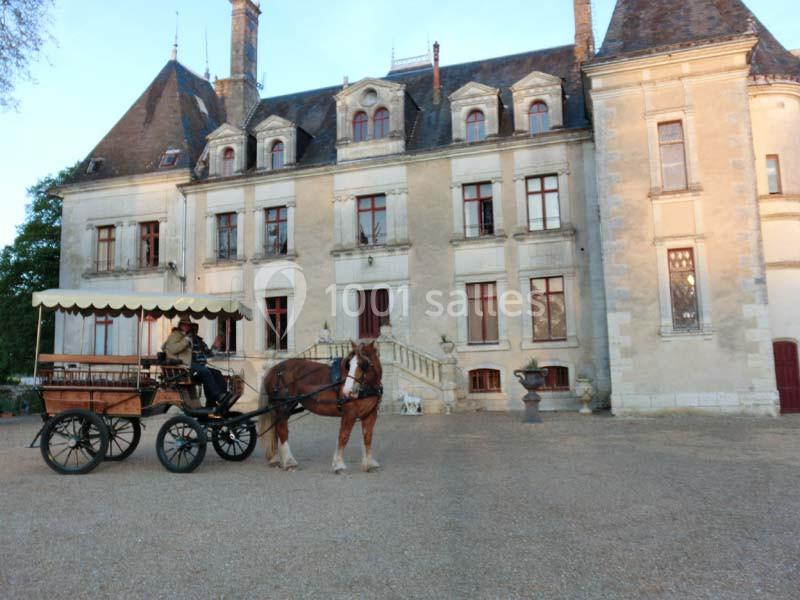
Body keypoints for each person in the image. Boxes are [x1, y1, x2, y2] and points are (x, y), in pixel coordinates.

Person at [162, 317, 230, 410]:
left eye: (189, 325)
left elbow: (208, 354)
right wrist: (185, 340)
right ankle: (216, 396)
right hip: (184, 368)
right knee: (205, 371)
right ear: (180, 325)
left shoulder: (197, 340)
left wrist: (215, 346)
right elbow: (170, 349)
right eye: (184, 324)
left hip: (196, 367)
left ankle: (220, 398)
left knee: (216, 373)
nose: (187, 327)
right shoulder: (177, 335)